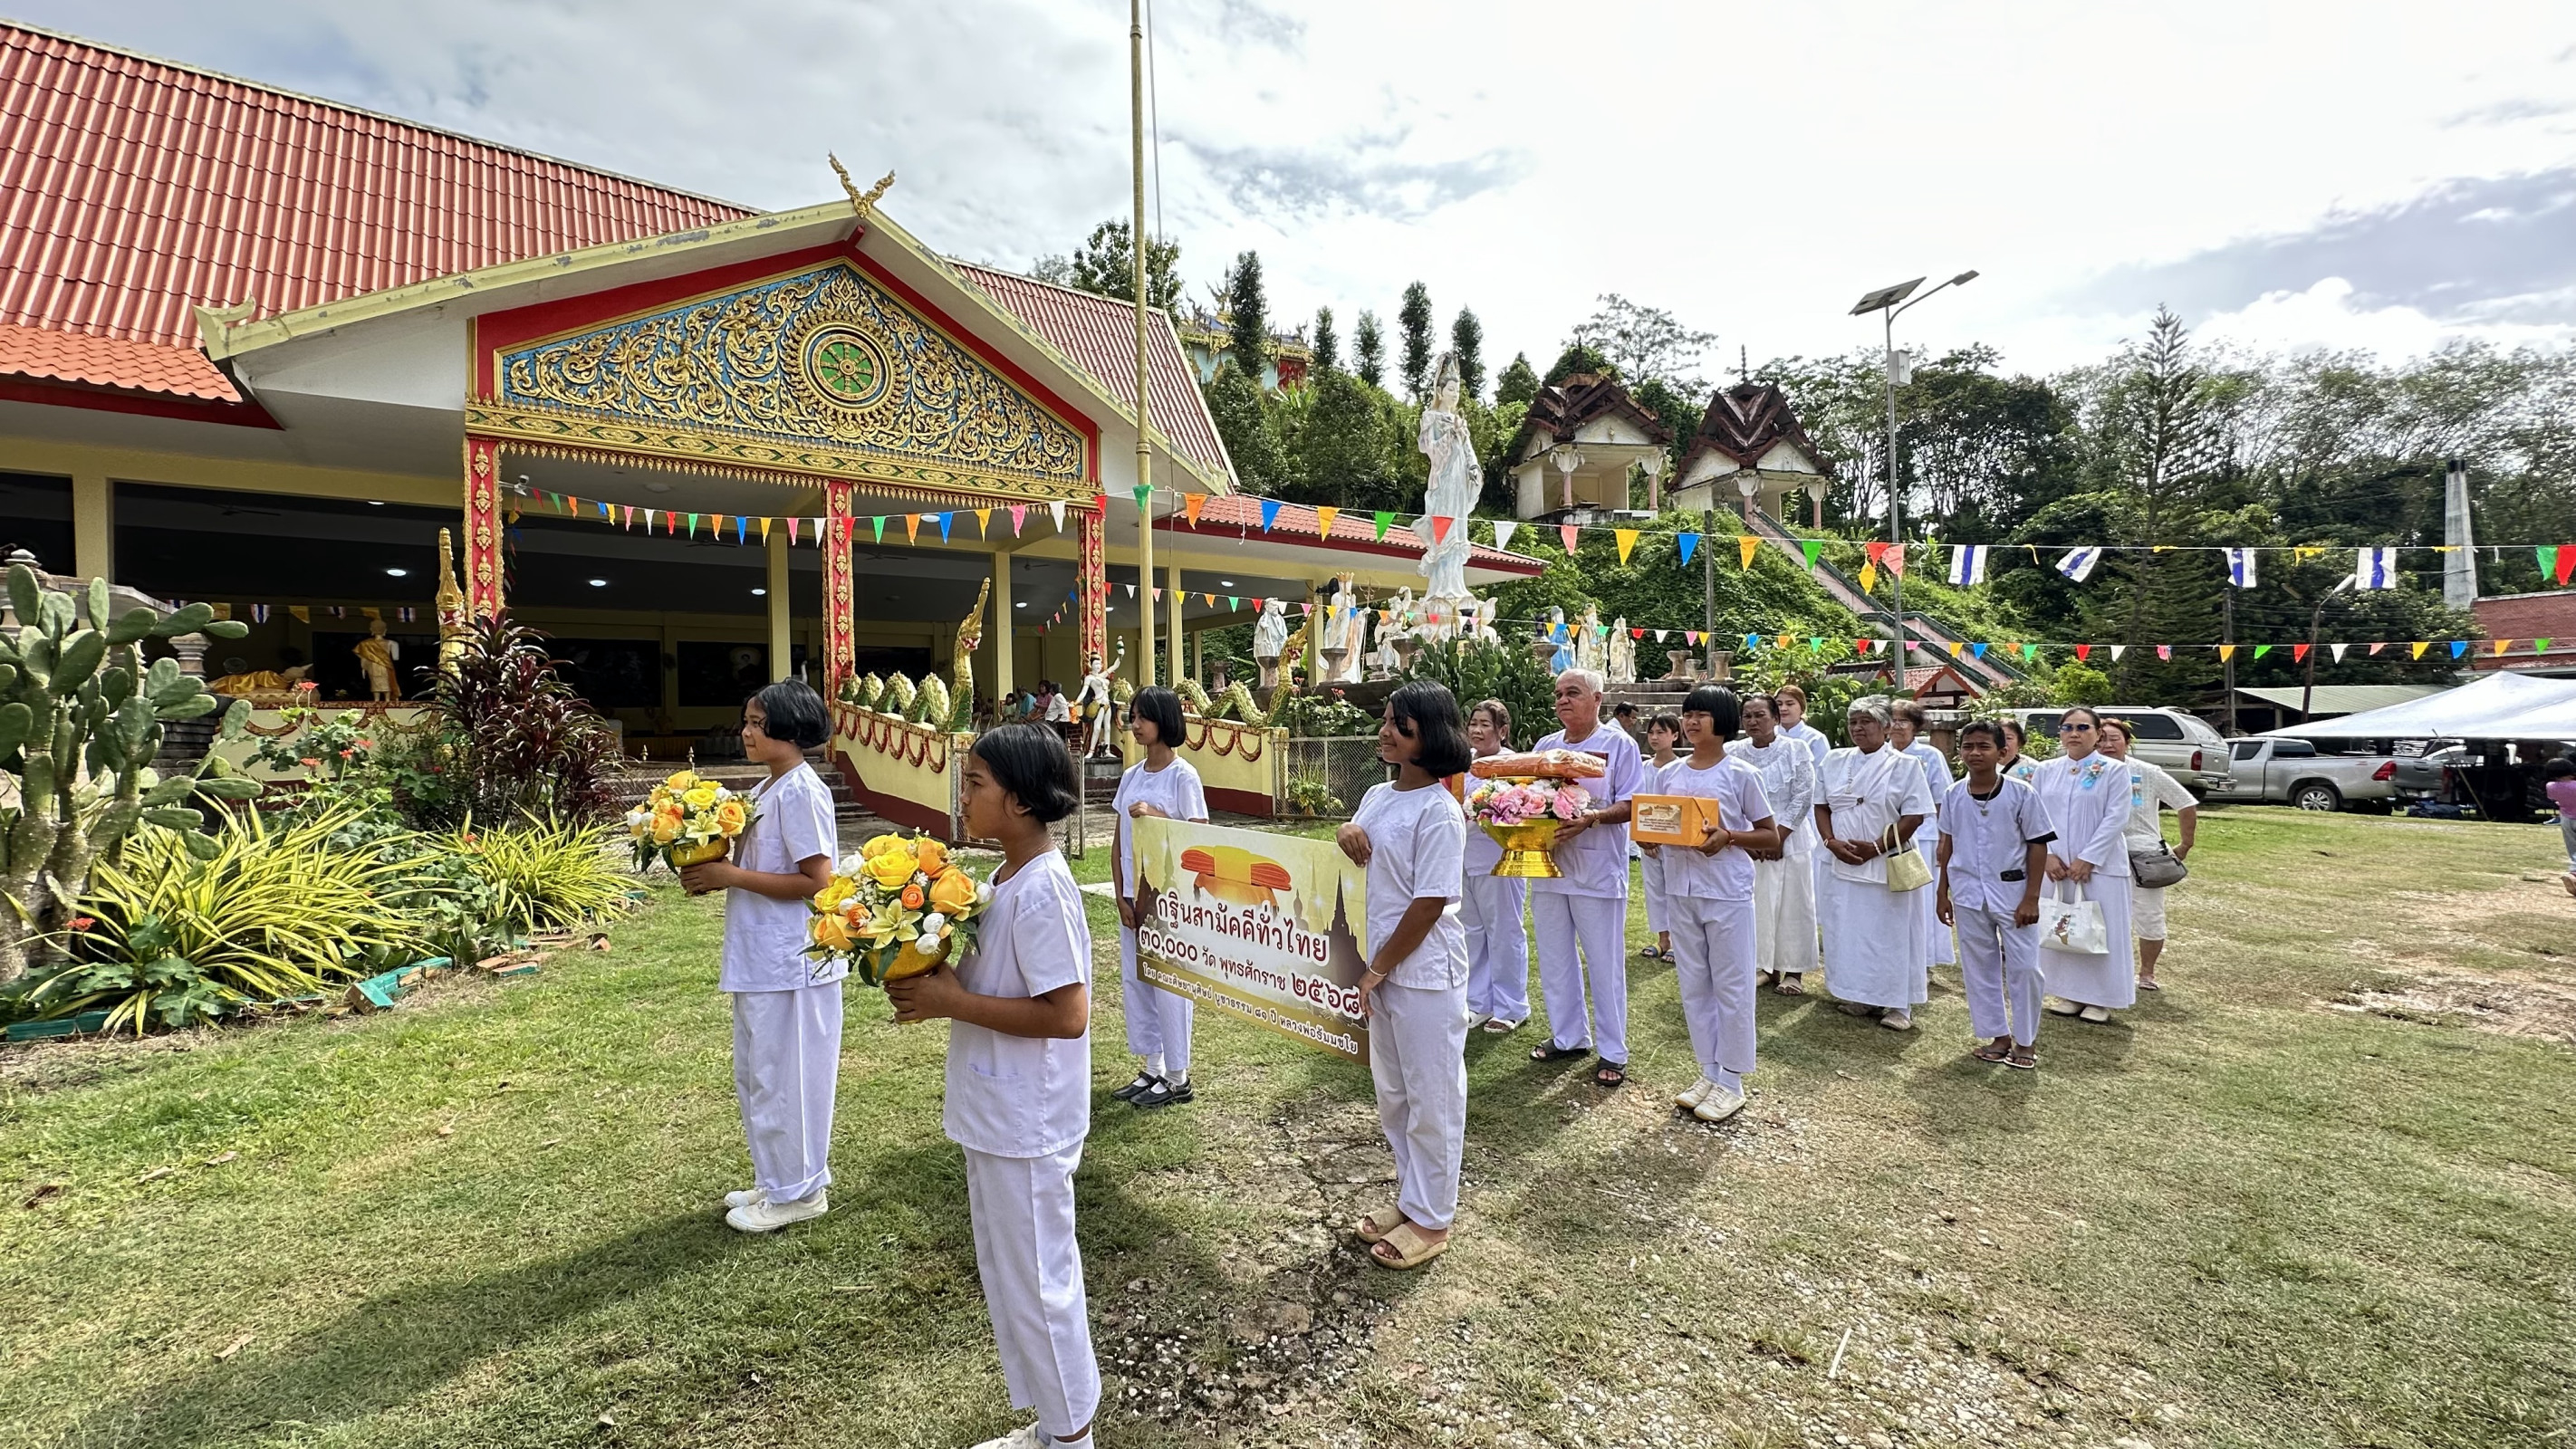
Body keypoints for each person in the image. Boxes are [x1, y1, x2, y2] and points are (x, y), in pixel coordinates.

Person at [887, 724, 1098, 1449]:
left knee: (1041, 1282)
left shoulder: (1043, 891)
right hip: (997, 1106)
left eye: (975, 782)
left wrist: (951, 1002)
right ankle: (1051, 1422)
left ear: (1019, 798)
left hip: (1029, 1118)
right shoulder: (1001, 881)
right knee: (1012, 1274)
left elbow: (1067, 1015)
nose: (964, 794)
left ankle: (1072, 1437)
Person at [681, 681, 841, 1233]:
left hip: (793, 961)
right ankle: (779, 1178)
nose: (746, 732)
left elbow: (818, 881)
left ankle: (800, 1191)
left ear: (791, 729)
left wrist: (729, 875)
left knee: (788, 1077)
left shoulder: (802, 792)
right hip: (761, 957)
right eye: (745, 721)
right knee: (759, 1076)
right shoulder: (770, 790)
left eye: (757, 723)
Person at [1339, 681, 1474, 1271]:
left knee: (1432, 1100)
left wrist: (1376, 970)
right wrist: (1346, 830)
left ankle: (1433, 1220)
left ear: (1431, 737)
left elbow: (1427, 904)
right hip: (1382, 973)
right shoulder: (1376, 794)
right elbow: (1357, 845)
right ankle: (1411, 1197)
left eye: (1401, 725)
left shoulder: (1441, 812)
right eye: (1388, 720)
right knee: (1394, 1097)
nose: (1386, 731)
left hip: (1421, 975)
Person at [1653, 686, 1780, 1122]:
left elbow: (1770, 835)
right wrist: (1651, 837)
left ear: (1721, 723)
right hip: (1681, 889)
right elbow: (1658, 822)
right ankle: (1708, 1069)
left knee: (1732, 983)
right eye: (1688, 714)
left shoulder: (1740, 774)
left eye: (1702, 715)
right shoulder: (1669, 774)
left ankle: (1733, 1080)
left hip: (1725, 890)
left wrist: (1730, 837)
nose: (1691, 722)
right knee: (1694, 983)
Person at [1526, 667, 1644, 1089]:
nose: (1562, 700)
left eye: (1572, 692)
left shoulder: (1619, 745)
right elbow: (1528, 795)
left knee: (1604, 962)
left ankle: (1613, 1050)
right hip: (1550, 865)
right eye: (1558, 693)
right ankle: (1569, 1036)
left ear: (1597, 699)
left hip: (1596, 868)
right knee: (1555, 958)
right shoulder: (1546, 746)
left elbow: (1633, 802)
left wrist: (1592, 818)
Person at [1110, 686, 1209, 1109]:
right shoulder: (1131, 776)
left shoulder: (1183, 777)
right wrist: (1120, 894)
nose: (1134, 725)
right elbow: (1119, 841)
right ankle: (1151, 1065)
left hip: (1169, 901)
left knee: (1170, 983)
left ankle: (1177, 1074)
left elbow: (1198, 839)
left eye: (1142, 718)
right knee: (1138, 982)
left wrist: (1157, 814)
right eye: (1132, 717)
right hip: (1132, 899)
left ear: (1164, 722)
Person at [1937, 720, 2055, 1070]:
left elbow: (2038, 845)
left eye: (1984, 746)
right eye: (1968, 746)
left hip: (2014, 893)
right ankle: (1997, 1035)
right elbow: (1948, 846)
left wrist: (2032, 897)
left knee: (2025, 967)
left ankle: (2025, 1040)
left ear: (2002, 752)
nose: (1975, 753)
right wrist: (1942, 893)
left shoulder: (2022, 794)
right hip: (1968, 893)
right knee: (1979, 967)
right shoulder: (1953, 794)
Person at [1813, 696, 1935, 1031]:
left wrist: (1877, 847)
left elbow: (1915, 815)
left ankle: (1899, 1004)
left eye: (1866, 721)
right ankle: (1858, 994)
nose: (1858, 728)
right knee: (1849, 931)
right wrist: (1830, 841)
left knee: (1891, 935)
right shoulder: (1834, 761)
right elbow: (1820, 805)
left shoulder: (1905, 765)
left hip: (1887, 863)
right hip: (1843, 861)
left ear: (1885, 727)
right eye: (1853, 722)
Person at [2031, 706, 2138, 1025]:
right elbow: (2035, 815)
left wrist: (2088, 858)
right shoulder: (2047, 770)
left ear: (2097, 734)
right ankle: (2069, 993)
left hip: (2100, 865)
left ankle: (2102, 999)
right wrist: (2047, 853)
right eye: (2067, 728)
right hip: (2056, 866)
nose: (2074, 734)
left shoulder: (2113, 770)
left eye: (2082, 728)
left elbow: (2116, 817)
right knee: (2062, 926)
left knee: (2102, 930)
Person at [2098, 718, 2196, 993]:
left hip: (2144, 856)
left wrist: (2185, 845)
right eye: (2101, 738)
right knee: (2101, 915)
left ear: (2127, 742)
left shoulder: (2146, 772)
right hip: (2100, 855)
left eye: (2114, 738)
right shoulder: (2088, 771)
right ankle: (2105, 970)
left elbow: (2185, 802)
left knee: (2149, 915)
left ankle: (2147, 973)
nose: (2107, 744)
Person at [1737, 693, 1820, 994]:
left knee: (1794, 904)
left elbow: (1802, 795)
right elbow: (1733, 799)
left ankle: (1794, 973)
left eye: (1760, 715)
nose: (1754, 721)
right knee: (1759, 904)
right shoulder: (1734, 752)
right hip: (1751, 840)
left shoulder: (1796, 749)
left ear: (1775, 717)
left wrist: (1778, 837)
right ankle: (1764, 966)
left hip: (1790, 838)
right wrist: (1751, 840)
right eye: (1748, 715)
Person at [1462, 698, 1530, 1034]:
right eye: (1473, 723)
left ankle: (1511, 1006)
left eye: (1484, 724)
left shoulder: (1513, 765)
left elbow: (1521, 810)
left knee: (1504, 933)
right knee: (1471, 933)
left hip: (1501, 859)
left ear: (1502, 731)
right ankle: (1478, 1002)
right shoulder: (1464, 764)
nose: (1476, 730)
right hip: (1465, 858)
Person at [1889, 699, 1957, 971]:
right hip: (1885, 837)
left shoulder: (1930, 756)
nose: (1896, 726)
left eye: (1903, 720)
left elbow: (1942, 799)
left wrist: (1943, 840)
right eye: (1892, 719)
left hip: (1925, 836)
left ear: (1915, 727)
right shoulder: (1881, 753)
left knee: (1923, 899)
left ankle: (1924, 961)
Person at [1637, 711, 1682, 963]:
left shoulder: (1681, 769)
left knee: (1675, 889)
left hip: (1673, 841)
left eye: (1661, 732)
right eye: (1652, 732)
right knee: (1654, 889)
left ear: (1675, 735)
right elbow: (1636, 804)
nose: (1655, 737)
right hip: (1647, 842)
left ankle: (1678, 939)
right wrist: (1644, 840)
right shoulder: (1642, 768)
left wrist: (1663, 837)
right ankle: (1663, 939)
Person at [2546, 758, 2576, 871]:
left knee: (2572, 847)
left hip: (2566, 819)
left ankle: (2574, 871)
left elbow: (2553, 798)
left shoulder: (2551, 786)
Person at [1998, 719, 2040, 783]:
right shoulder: (1982, 764)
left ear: (2019, 741)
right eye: (1999, 737)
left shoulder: (2033, 767)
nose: (2004, 742)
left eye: (2009, 738)